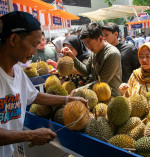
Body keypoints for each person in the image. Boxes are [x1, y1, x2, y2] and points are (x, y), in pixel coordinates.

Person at [0, 11, 88, 157]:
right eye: (33, 44)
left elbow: (35, 96)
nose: (35, 51)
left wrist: (69, 99)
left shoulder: (17, 71)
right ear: (14, 39)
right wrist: (30, 135)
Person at [62, 22, 122, 97]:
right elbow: (86, 71)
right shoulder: (94, 52)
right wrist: (73, 57)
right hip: (96, 96)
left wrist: (79, 90)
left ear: (100, 39)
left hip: (111, 97)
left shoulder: (112, 54)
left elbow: (102, 81)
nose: (88, 47)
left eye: (89, 43)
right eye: (85, 44)